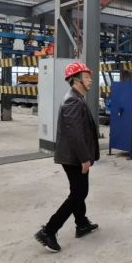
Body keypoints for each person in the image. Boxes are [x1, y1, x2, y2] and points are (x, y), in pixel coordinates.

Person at [34, 61, 100, 252]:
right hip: (74, 157)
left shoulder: (77, 97)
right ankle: (49, 230)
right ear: (77, 80)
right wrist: (84, 158)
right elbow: (74, 133)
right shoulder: (73, 100)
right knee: (79, 193)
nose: (91, 80)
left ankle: (82, 224)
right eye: (87, 77)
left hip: (74, 155)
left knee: (78, 191)